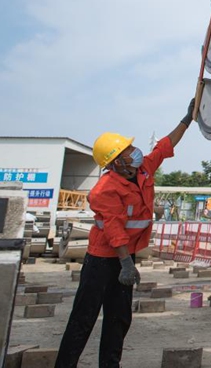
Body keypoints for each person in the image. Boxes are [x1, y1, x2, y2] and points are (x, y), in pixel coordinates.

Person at [55, 100, 195, 368]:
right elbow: (115, 230)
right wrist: (126, 264)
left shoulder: (143, 170)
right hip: (102, 260)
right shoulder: (105, 189)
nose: (135, 151)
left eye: (131, 147)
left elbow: (164, 147)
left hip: (124, 256)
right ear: (116, 162)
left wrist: (187, 119)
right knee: (83, 319)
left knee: (119, 318)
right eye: (128, 150)